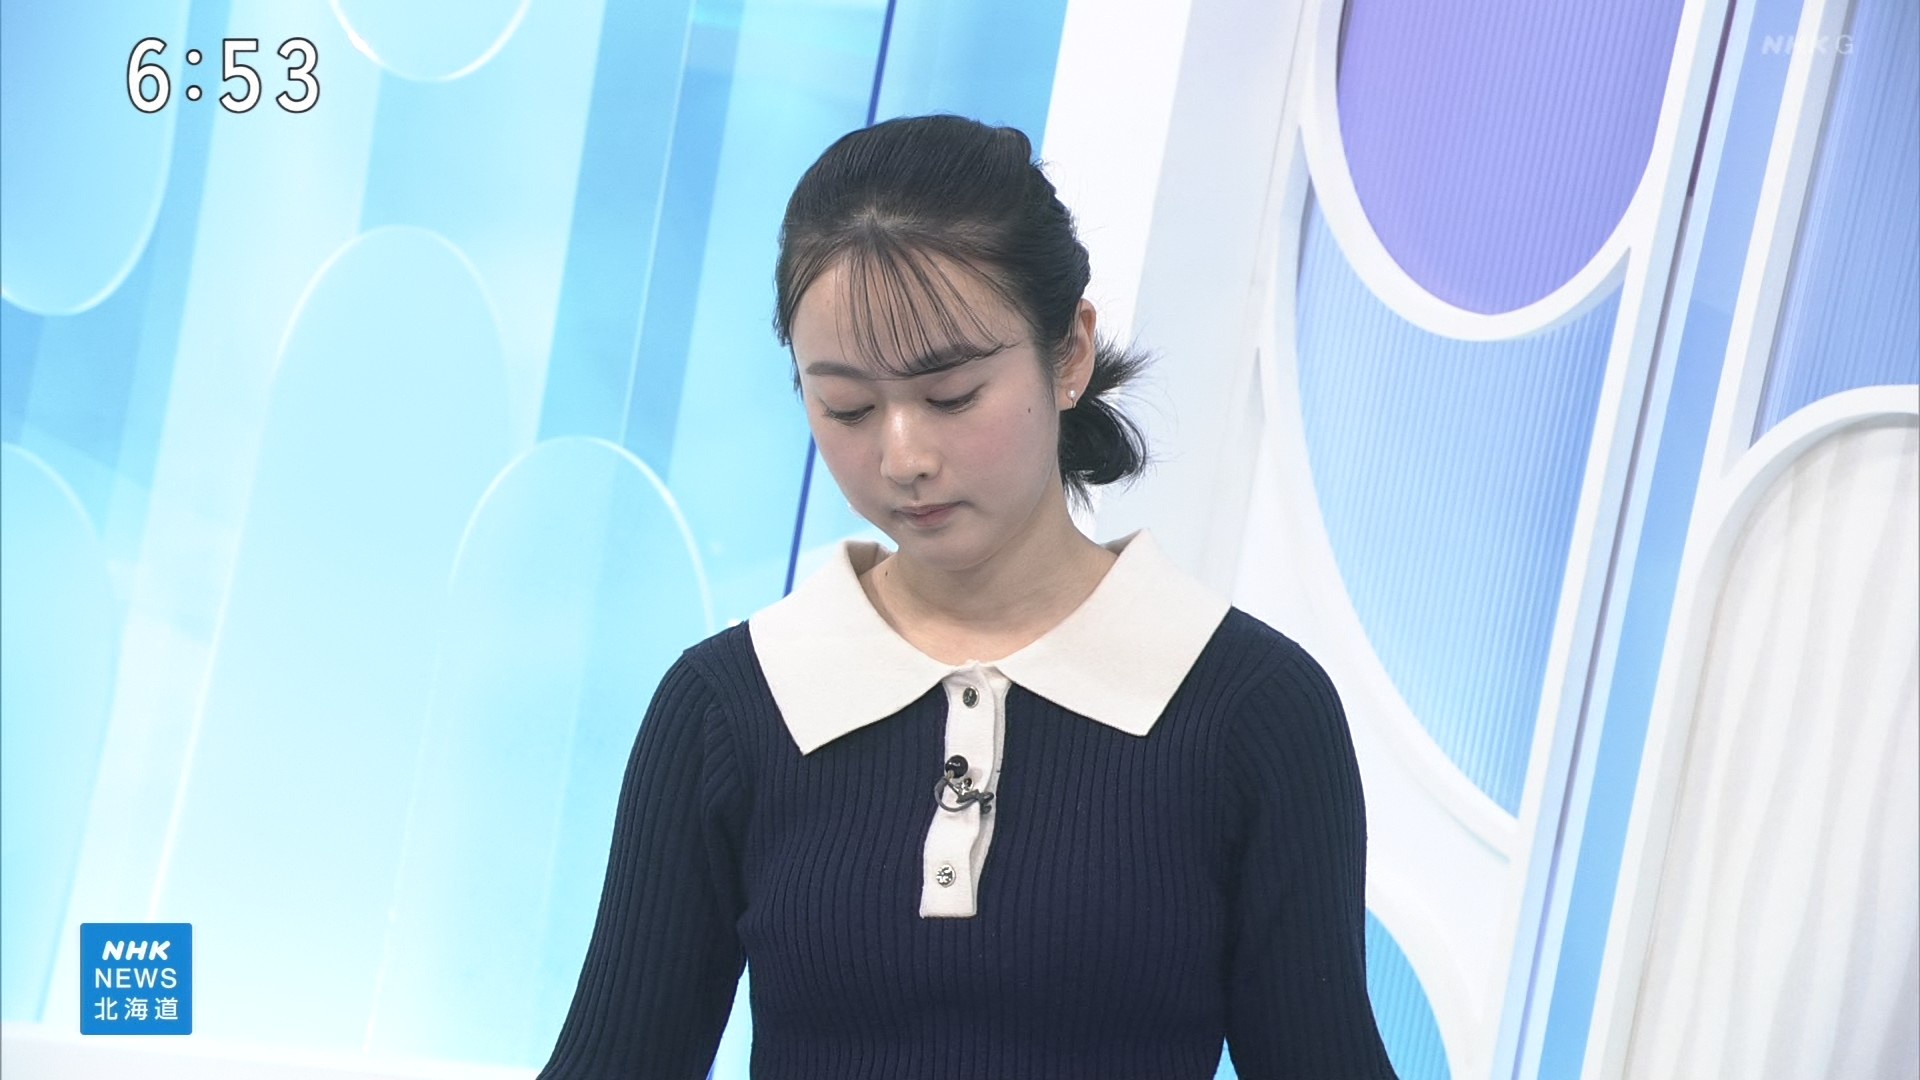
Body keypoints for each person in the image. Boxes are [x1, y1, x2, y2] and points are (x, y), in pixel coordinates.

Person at [537, 114, 1397, 1079]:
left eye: (951, 396)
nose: (902, 456)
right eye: (848, 407)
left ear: (1069, 354)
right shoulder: (733, 707)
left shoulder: (1251, 709)